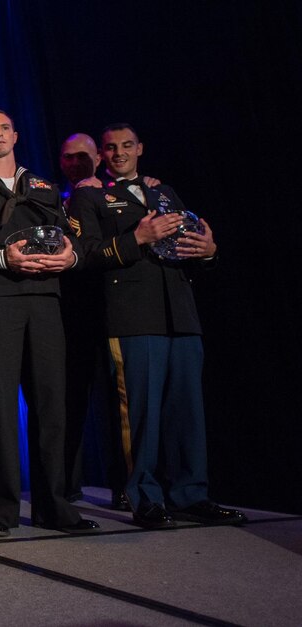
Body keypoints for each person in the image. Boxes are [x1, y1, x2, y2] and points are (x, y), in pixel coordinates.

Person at [68, 124, 245, 529]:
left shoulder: (163, 191)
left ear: (140, 148)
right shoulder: (90, 195)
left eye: (127, 146)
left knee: (187, 410)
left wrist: (209, 251)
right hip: (131, 314)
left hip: (179, 311)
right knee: (140, 412)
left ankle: (191, 493)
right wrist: (138, 236)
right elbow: (86, 256)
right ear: (101, 155)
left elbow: (192, 241)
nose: (118, 154)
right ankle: (144, 497)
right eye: (110, 148)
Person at [0, 108, 97, 538]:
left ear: (16, 134)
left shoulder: (42, 185)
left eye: (5, 127)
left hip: (46, 299)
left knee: (51, 403)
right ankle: (1, 507)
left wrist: (72, 255)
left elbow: (71, 236)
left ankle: (54, 505)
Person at [56, 132, 129, 511]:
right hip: (71, 313)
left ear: (98, 158)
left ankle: (124, 484)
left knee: (120, 402)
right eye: (69, 158)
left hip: (113, 306)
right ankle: (67, 483)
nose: (76, 163)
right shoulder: (55, 198)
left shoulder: (116, 196)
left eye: (83, 156)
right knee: (69, 400)